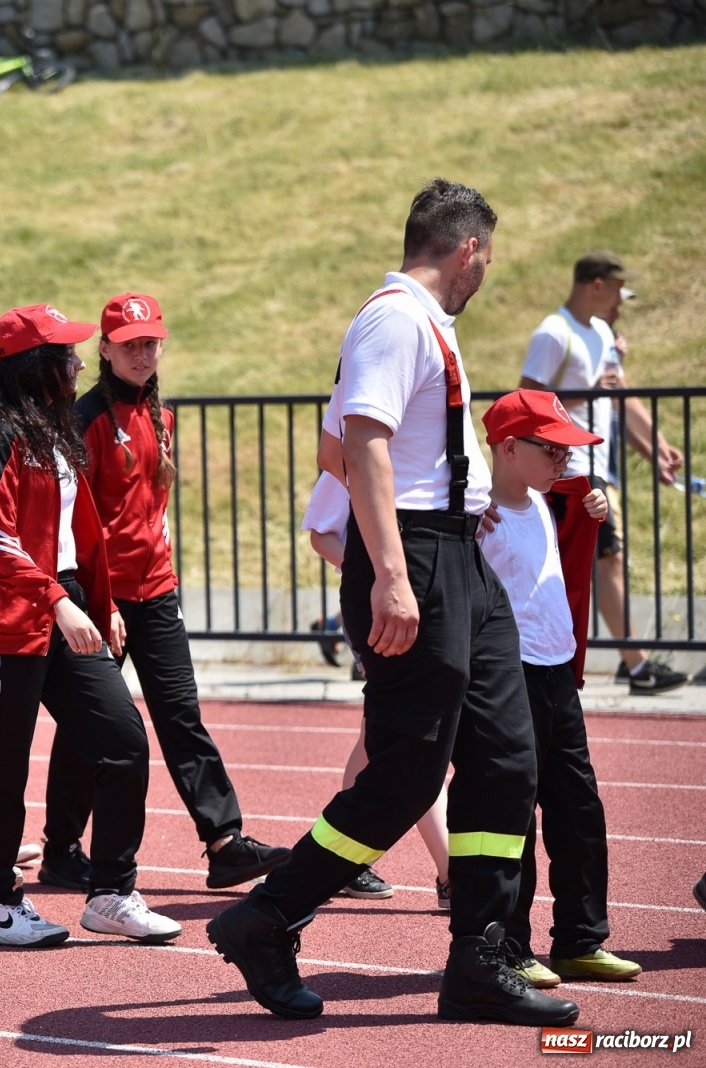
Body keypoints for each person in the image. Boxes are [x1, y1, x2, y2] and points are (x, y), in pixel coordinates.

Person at [207, 178, 578, 1027]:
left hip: (455, 552)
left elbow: (338, 440)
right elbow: (359, 444)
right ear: (468, 250)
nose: (486, 268)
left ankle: (479, 958)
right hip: (417, 559)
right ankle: (270, 914)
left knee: (507, 757)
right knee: (409, 768)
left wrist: (456, 492)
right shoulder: (395, 316)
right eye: (488, 255)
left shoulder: (423, 323)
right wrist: (395, 570)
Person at [38, 293, 290, 894]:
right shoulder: (86, 421)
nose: (144, 354)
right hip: (106, 601)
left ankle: (225, 841)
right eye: (131, 345)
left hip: (158, 592)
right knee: (88, 729)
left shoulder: (161, 414)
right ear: (104, 349)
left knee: (182, 715)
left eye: (152, 343)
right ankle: (61, 848)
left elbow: (151, 508)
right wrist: (102, 602)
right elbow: (80, 520)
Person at [0, 303, 176, 947]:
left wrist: (100, 602)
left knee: (123, 741)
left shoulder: (56, 432)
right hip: (8, 619)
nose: (82, 361)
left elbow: (83, 534)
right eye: (69, 353)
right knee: (1, 766)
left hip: (64, 601)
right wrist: (57, 600)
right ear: (37, 366)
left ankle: (110, 892)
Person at [481, 389, 642, 986]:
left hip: (556, 672)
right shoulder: (476, 518)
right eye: (552, 450)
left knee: (579, 810)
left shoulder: (555, 505)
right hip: (506, 676)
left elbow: (571, 531)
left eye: (567, 451)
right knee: (512, 816)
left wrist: (588, 505)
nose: (564, 462)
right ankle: (512, 945)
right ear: (510, 448)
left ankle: (580, 940)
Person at [519, 253, 687, 695]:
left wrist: (658, 448)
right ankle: (635, 665)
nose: (620, 301)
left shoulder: (601, 333)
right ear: (596, 285)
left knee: (593, 560)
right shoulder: (553, 332)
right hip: (568, 470)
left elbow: (621, 399)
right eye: (617, 289)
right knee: (603, 559)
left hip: (594, 469)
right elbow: (528, 399)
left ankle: (609, 662)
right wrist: (584, 395)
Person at [300, 468, 451, 908]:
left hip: (439, 608)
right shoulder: (356, 456)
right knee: (416, 736)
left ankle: (343, 855)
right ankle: (449, 873)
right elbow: (321, 534)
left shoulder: (437, 452)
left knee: (379, 738)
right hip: (385, 613)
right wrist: (378, 576)